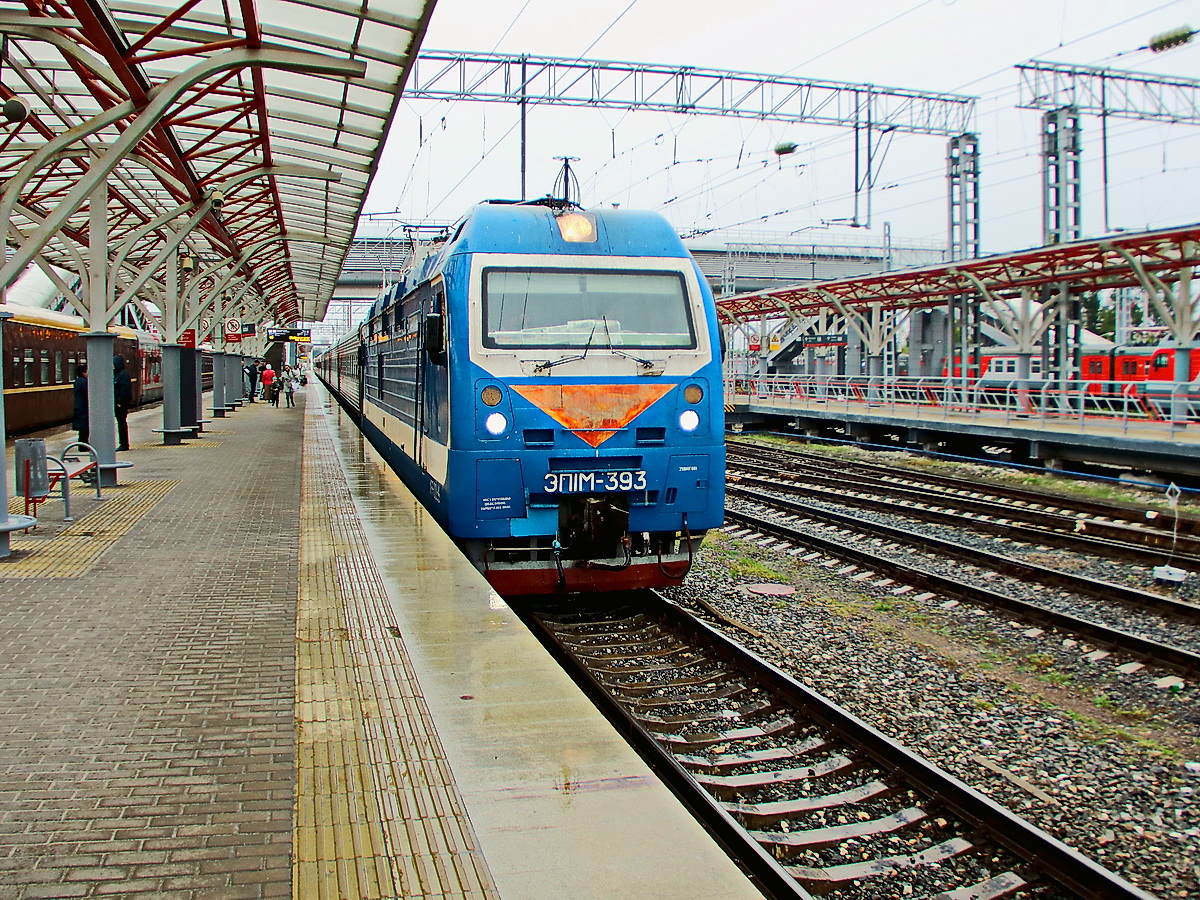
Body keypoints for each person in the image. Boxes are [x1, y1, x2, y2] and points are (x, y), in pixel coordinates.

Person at [113, 355, 132, 451]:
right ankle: (123, 443)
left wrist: (120, 402)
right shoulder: (120, 374)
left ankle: (124, 444)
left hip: (121, 405)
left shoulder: (122, 375)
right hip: (120, 404)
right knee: (121, 423)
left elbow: (124, 390)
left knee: (122, 423)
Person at [72, 364, 89, 446]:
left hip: (79, 406)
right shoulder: (84, 382)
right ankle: (83, 445)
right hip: (84, 406)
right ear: (83, 373)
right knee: (85, 427)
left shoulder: (78, 381)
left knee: (82, 427)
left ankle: (82, 443)